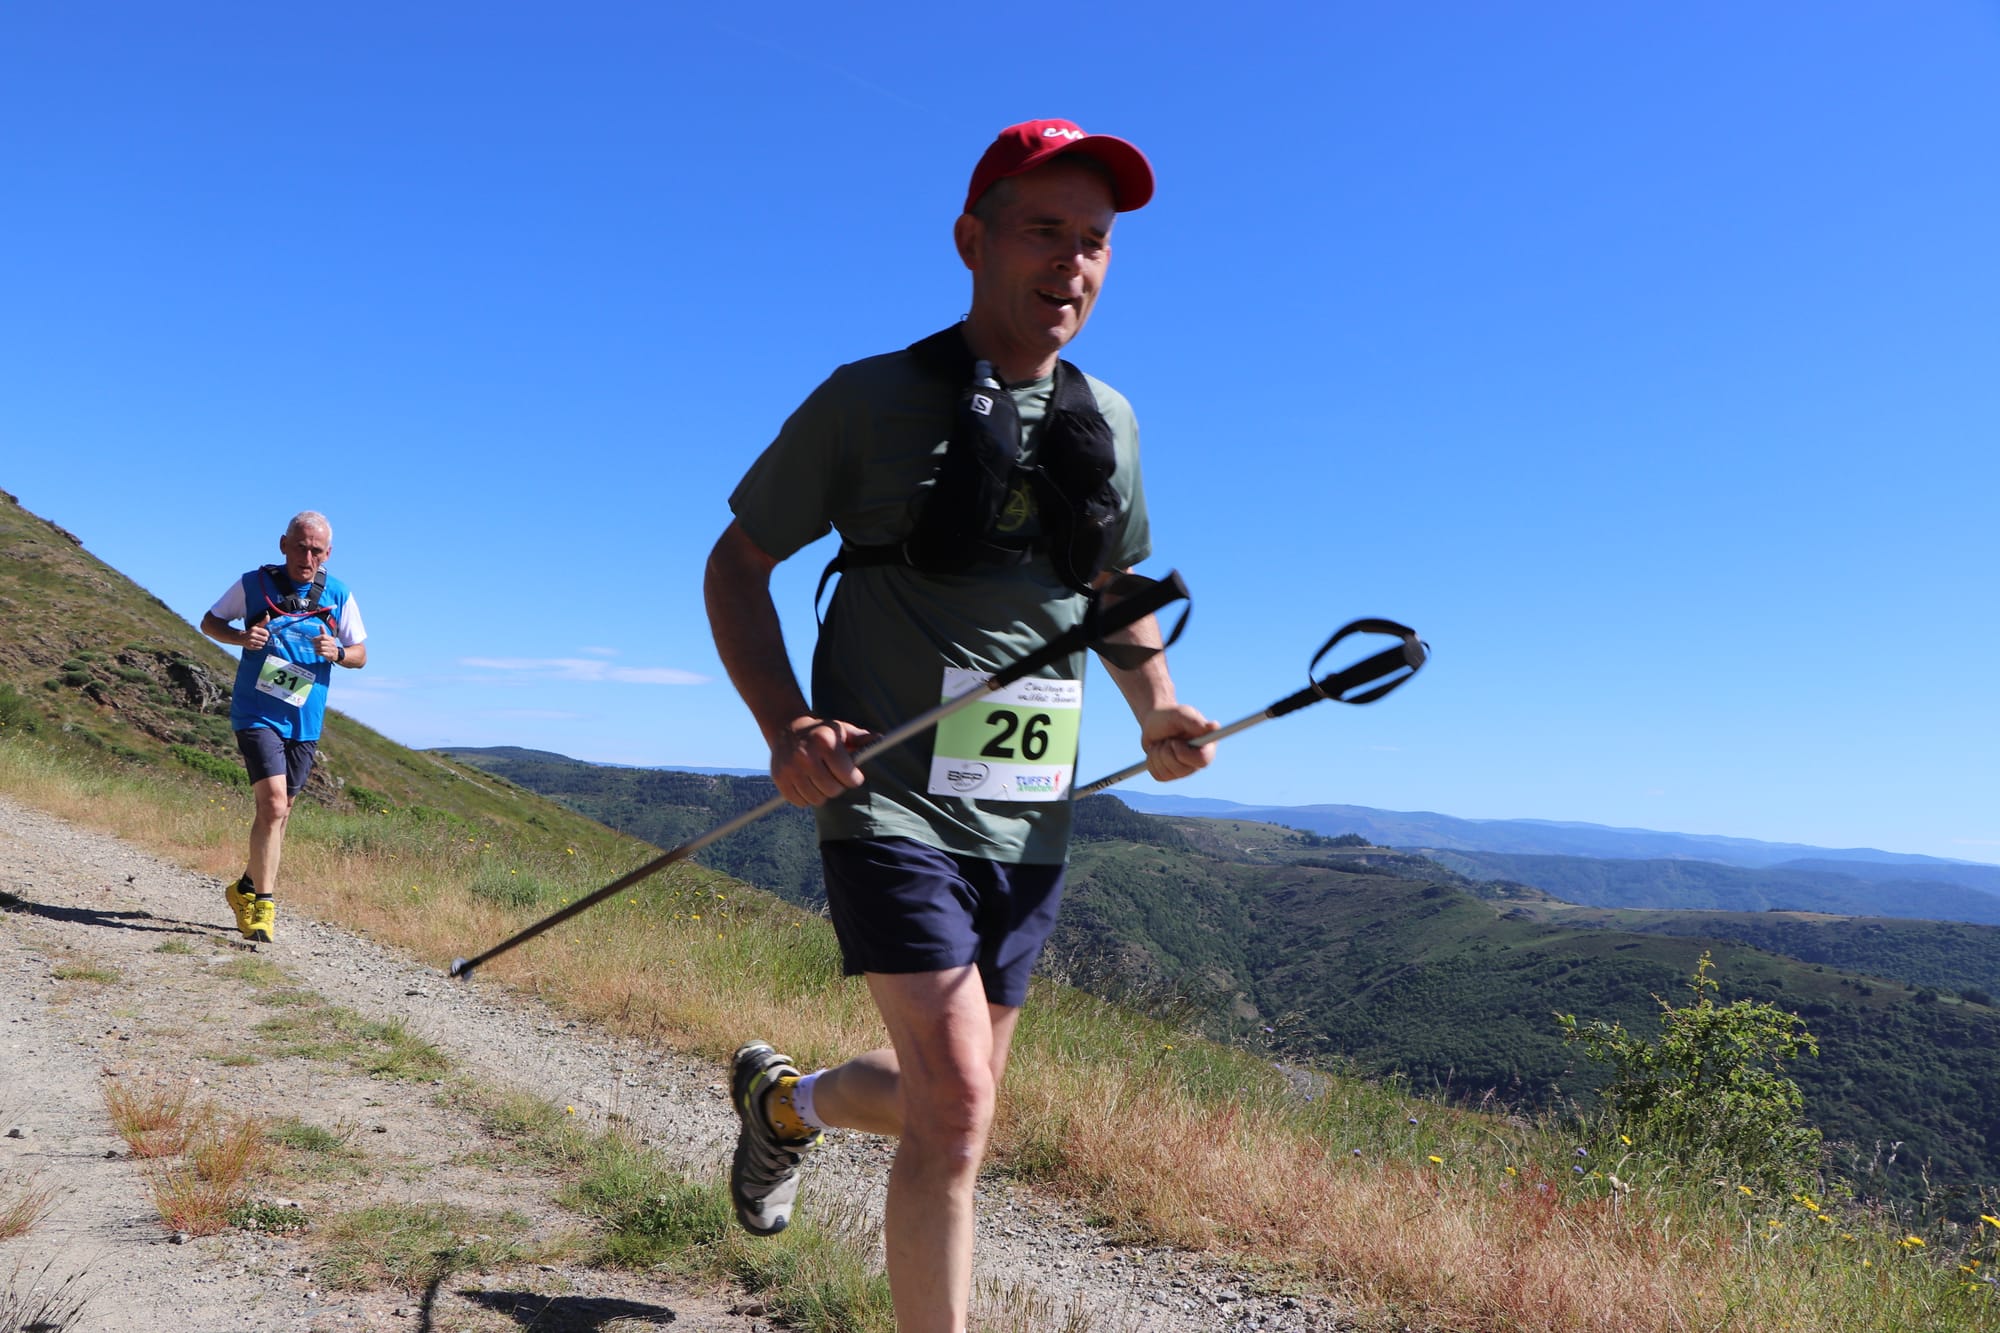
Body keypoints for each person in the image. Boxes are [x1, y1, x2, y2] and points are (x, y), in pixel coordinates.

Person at [704, 118, 1213, 1331]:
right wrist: (787, 729)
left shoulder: (1115, 422)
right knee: (963, 1115)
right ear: (972, 241)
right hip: (884, 798)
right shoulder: (868, 400)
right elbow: (737, 565)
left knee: (950, 1096)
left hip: (1029, 815)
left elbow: (1113, 596)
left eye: (1093, 242)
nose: (1072, 264)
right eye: (1044, 232)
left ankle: (783, 1108)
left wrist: (1160, 710)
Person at [198, 511, 367, 944]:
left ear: (327, 554)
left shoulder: (339, 594)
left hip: (304, 719)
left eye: (316, 550)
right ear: (283, 544)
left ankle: (244, 889)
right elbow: (210, 622)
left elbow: (361, 653)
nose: (306, 557)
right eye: (300, 546)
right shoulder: (252, 584)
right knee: (272, 806)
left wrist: (338, 652)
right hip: (256, 712)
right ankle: (264, 908)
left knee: (280, 813)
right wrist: (241, 638)